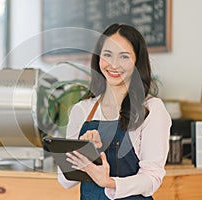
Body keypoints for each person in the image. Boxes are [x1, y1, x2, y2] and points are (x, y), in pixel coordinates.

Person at [57, 23, 171, 199]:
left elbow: (152, 178)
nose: (114, 64)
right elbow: (65, 180)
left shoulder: (151, 109)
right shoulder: (82, 110)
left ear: (136, 62)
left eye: (124, 57)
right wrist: (86, 151)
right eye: (107, 55)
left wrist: (108, 182)